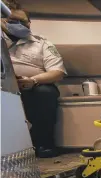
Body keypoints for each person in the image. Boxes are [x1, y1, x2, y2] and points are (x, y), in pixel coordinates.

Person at [1, 9, 67, 158]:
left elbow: (57, 72)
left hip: (33, 86)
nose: (19, 25)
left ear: (29, 23)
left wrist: (33, 80)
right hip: (3, 86)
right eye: (12, 21)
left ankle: (43, 144)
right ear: (2, 21)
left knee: (45, 93)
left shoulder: (41, 43)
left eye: (23, 21)